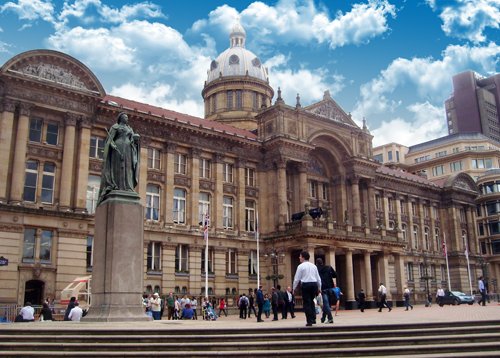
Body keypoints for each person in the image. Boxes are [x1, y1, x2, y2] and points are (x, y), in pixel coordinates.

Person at [96, 111, 140, 206]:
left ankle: (128, 186)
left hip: (128, 149)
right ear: (120, 118)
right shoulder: (115, 127)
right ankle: (117, 185)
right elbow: (110, 140)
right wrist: (113, 146)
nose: (126, 118)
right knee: (118, 167)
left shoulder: (129, 129)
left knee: (128, 168)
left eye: (127, 117)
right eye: (125, 116)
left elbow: (133, 140)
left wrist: (136, 141)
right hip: (118, 148)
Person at [293, 251, 322, 327]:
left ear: (303, 257)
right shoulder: (314, 266)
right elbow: (318, 278)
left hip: (306, 284)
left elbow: (297, 279)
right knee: (312, 301)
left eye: (300, 256)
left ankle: (309, 320)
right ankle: (313, 318)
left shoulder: (300, 266)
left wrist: (294, 288)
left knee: (306, 303)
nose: (299, 257)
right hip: (314, 284)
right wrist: (319, 288)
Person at [316, 257, 337, 324]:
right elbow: (335, 275)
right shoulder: (329, 268)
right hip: (330, 288)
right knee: (326, 303)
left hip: (323, 288)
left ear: (317, 263)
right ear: (322, 262)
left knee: (326, 303)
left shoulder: (316, 270)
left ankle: (330, 318)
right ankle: (323, 318)